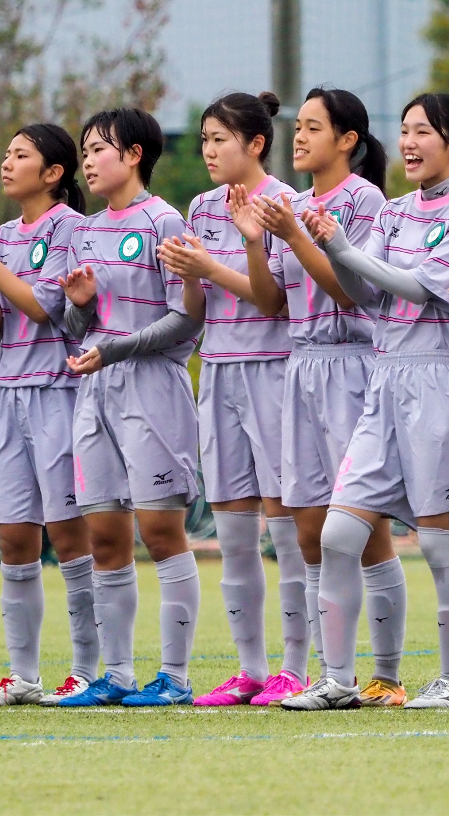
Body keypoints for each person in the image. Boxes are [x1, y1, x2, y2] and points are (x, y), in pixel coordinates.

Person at [282, 92, 449, 711]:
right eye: (405, 131)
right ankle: (339, 681)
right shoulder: (396, 210)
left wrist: (343, 248)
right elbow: (363, 294)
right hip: (386, 377)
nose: (409, 143)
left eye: (424, 132)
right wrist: (330, 246)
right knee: (338, 534)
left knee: (438, 543)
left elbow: (421, 288)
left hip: (443, 381)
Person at [233, 86, 406, 706]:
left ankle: (385, 675)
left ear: (348, 140)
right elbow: (271, 299)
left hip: (354, 365)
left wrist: (295, 233)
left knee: (363, 529)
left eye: (313, 127)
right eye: (297, 127)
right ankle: (332, 677)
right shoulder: (291, 205)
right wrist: (255, 238)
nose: (299, 138)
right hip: (300, 366)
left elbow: (351, 291)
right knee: (307, 529)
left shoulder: (364, 201)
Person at [0, 123, 101, 706]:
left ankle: (86, 670)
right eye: (5, 153)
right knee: (13, 538)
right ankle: (24, 676)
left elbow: (45, 309)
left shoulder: (71, 229)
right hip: (7, 392)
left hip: (57, 391)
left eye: (20, 155)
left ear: (54, 173)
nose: (7, 163)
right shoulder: (3, 235)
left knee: (69, 532)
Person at [154, 91, 304, 707]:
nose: (209, 150)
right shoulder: (200, 205)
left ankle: (295, 669)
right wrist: (190, 274)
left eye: (220, 139)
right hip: (214, 370)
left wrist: (212, 265)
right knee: (234, 532)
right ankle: (249, 670)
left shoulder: (285, 204)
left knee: (285, 527)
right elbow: (196, 311)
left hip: (271, 372)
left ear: (256, 143)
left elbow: (274, 302)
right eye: (205, 139)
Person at [53, 108, 205, 708]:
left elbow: (184, 319)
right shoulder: (85, 230)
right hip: (96, 390)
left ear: (135, 154)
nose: (88, 161)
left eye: (99, 149)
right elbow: (76, 324)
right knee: (105, 536)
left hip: (152, 387)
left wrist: (110, 346)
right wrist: (81, 307)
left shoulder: (165, 219)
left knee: (161, 530)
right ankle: (114, 675)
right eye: (85, 150)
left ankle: (176, 677)